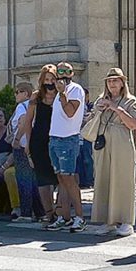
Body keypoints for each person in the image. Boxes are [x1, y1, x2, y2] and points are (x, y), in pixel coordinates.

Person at [89, 68, 136, 237]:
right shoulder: (100, 99)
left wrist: (115, 108)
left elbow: (134, 124)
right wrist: (98, 109)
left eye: (115, 80)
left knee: (122, 180)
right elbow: (90, 119)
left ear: (122, 82)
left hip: (122, 142)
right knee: (104, 179)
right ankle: (108, 220)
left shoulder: (130, 100)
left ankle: (126, 221)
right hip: (103, 141)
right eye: (109, 80)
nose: (112, 84)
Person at [47, 62, 87, 232]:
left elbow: (70, 112)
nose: (62, 73)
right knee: (61, 180)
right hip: (55, 138)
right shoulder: (57, 93)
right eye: (59, 70)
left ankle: (80, 217)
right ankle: (65, 217)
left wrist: (63, 94)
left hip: (67, 139)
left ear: (72, 73)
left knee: (69, 179)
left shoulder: (75, 89)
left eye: (66, 70)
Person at [20, 66, 60, 225]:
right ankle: (48, 213)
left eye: (52, 79)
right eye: (47, 80)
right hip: (39, 140)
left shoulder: (61, 96)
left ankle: (60, 210)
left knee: (60, 177)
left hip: (57, 139)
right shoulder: (36, 97)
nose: (49, 83)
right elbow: (28, 121)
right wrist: (28, 143)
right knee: (43, 179)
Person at [7, 82, 42, 222]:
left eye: (18, 92)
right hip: (33, 145)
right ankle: (40, 212)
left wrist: (16, 139)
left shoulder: (22, 107)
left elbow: (22, 122)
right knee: (33, 180)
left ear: (26, 93)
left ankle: (26, 213)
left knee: (23, 180)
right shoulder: (34, 106)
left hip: (22, 147)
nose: (15, 95)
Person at [77, 89, 95, 189]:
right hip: (80, 136)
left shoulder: (88, 106)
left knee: (87, 159)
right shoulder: (81, 106)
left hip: (86, 136)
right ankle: (84, 181)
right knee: (82, 159)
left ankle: (87, 181)